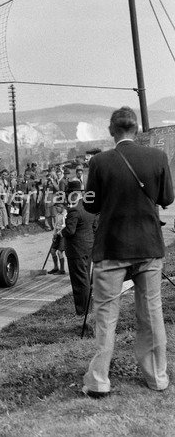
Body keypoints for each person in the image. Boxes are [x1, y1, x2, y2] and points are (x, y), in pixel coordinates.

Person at [82, 106, 174, 397]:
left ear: (112, 131)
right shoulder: (158, 157)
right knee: (151, 313)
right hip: (148, 245)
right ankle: (157, 377)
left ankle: (99, 381)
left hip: (111, 246)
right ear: (137, 131)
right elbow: (168, 198)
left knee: (106, 315)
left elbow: (91, 205)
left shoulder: (99, 162)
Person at [61, 180, 97, 315]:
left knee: (79, 282)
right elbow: (94, 227)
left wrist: (61, 232)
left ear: (72, 193)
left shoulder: (74, 209)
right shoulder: (89, 206)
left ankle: (83, 312)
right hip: (88, 247)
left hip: (76, 250)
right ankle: (88, 308)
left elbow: (70, 231)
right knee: (85, 278)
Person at [47, 201, 67, 275]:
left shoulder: (66, 215)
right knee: (52, 251)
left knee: (59, 252)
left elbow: (64, 226)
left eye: (58, 207)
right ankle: (56, 267)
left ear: (62, 207)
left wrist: (58, 233)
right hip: (57, 235)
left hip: (63, 235)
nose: (56, 209)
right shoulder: (57, 215)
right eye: (56, 207)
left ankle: (62, 270)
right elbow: (56, 225)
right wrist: (54, 234)